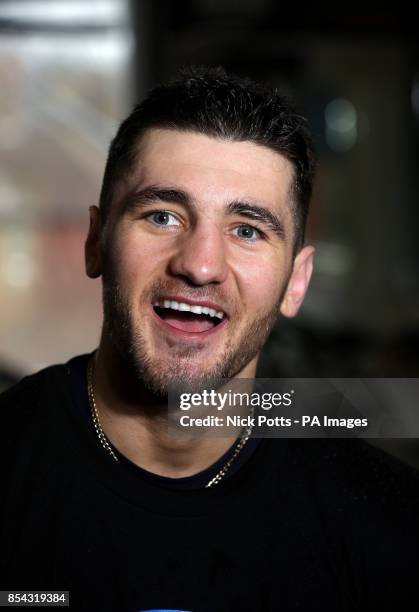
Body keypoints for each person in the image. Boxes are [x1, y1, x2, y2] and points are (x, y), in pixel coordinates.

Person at [1, 66, 418, 612]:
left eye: (247, 230)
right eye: (163, 215)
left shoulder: (387, 522)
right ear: (95, 243)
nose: (200, 266)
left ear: (297, 282)